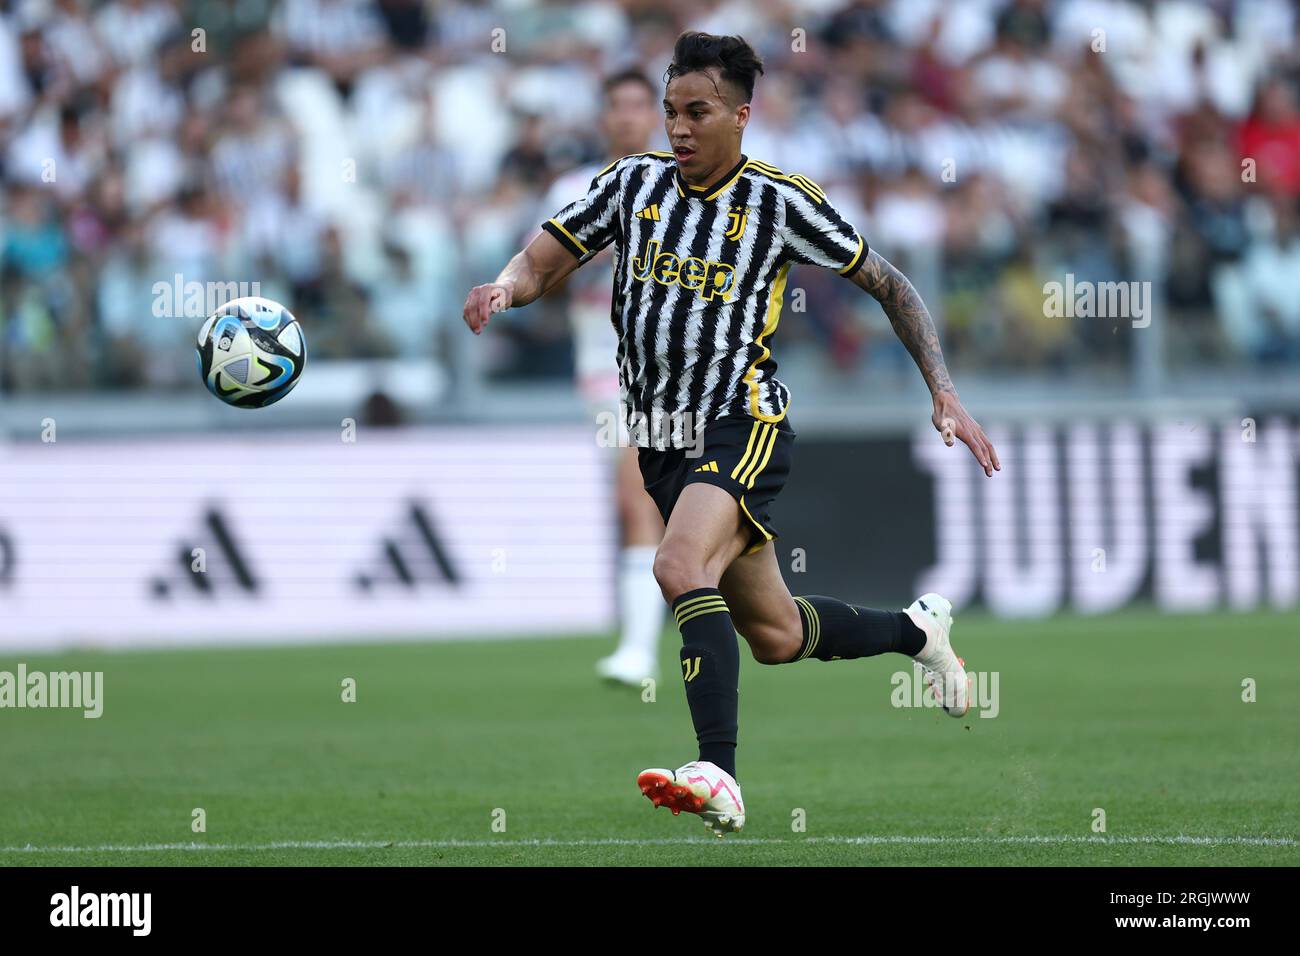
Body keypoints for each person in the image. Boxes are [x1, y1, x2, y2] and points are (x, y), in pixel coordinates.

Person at [462, 31, 1000, 837]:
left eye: (698, 112)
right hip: (661, 436)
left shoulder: (780, 202)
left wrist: (945, 390)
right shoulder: (629, 185)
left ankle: (719, 770)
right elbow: (543, 262)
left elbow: (889, 284)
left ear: (741, 117)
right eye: (672, 110)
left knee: (677, 564)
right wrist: (503, 288)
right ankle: (918, 631)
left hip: (741, 418)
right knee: (778, 636)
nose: (678, 128)